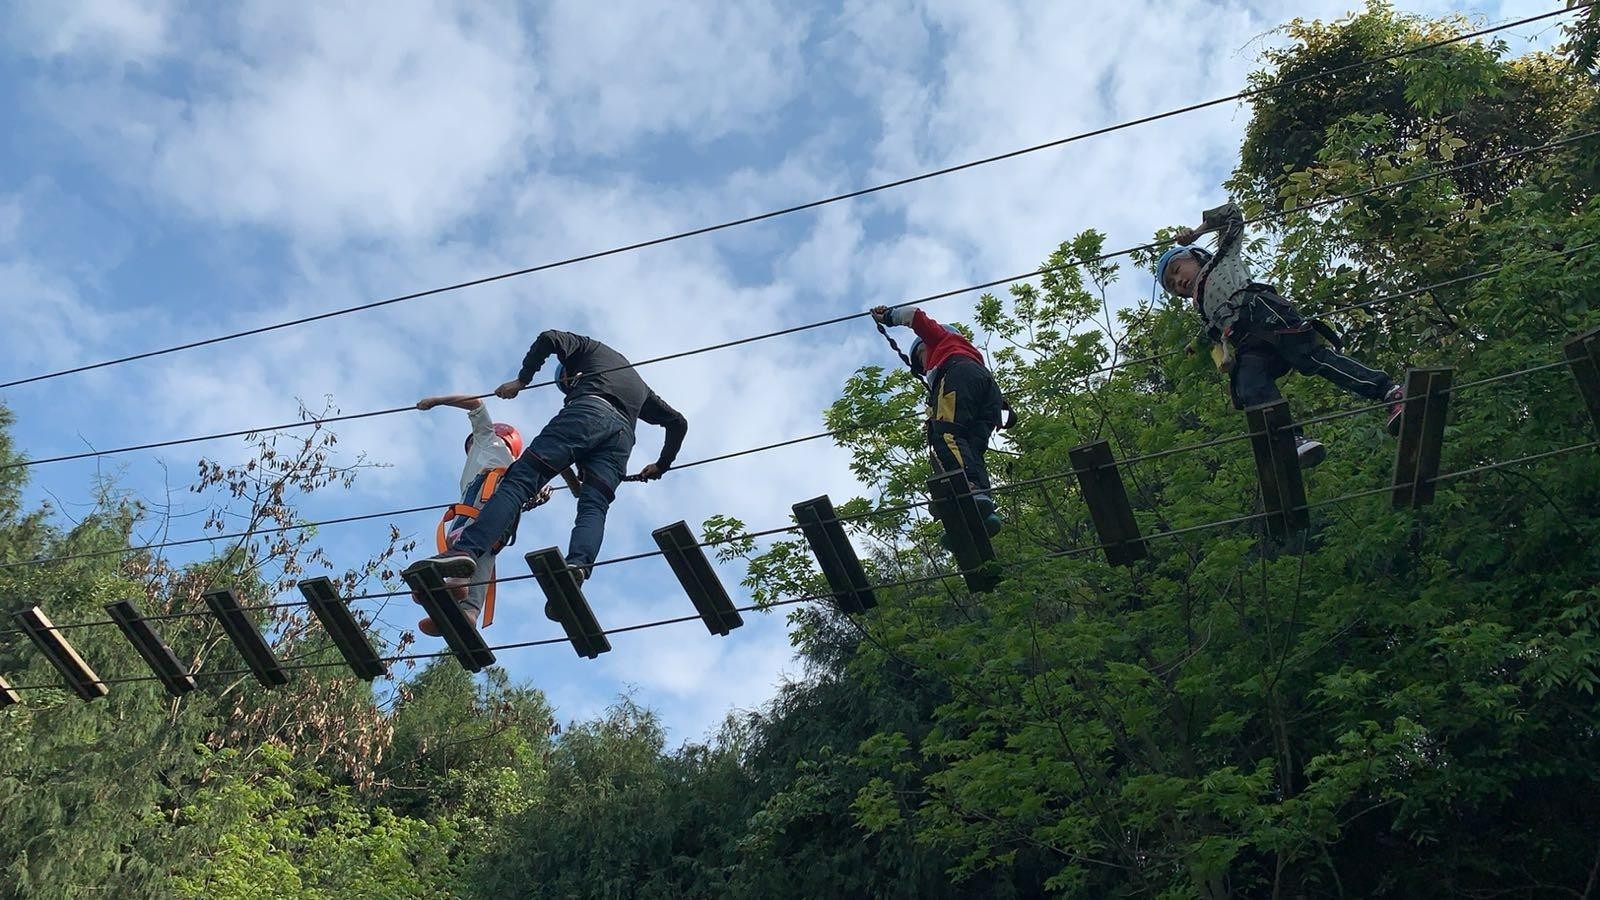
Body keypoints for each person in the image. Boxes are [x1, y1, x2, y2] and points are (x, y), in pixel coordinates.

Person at [403, 331, 688, 617]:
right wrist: (661, 465)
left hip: (588, 410)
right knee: (594, 507)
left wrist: (521, 381)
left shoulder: (587, 349)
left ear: (570, 375)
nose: (567, 388)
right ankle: (577, 567)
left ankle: (466, 549)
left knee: (519, 482)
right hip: (622, 439)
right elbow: (678, 422)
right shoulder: (641, 390)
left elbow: (549, 338)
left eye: (565, 385)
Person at [1155, 201, 1406, 467]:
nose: (1177, 282)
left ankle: (1390, 392)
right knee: (1248, 383)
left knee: (1312, 359)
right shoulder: (1205, 309)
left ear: (1196, 256)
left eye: (1176, 270)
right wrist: (1198, 344)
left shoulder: (1221, 260)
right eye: (1171, 286)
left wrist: (1197, 231)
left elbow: (1233, 214)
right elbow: (1213, 331)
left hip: (1268, 316)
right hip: (1248, 341)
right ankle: (1289, 439)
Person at [411, 395, 579, 634]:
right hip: (502, 519)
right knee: (485, 557)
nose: (469, 448)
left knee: (464, 545)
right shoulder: (521, 467)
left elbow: (476, 403)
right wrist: (573, 487)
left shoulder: (487, 439)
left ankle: (457, 583)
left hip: (481, 499)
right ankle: (468, 613)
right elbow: (558, 464)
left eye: (470, 444)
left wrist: (436, 401)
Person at [871, 304, 1004, 536]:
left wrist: (889, 317)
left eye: (919, 359)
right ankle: (984, 503)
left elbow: (915, 316)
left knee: (945, 433)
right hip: (989, 394)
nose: (922, 368)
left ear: (925, 347)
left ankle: (969, 488)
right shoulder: (969, 355)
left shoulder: (941, 341)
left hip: (959, 376)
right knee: (972, 448)